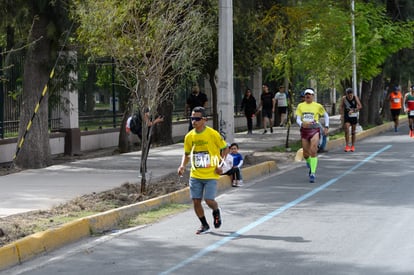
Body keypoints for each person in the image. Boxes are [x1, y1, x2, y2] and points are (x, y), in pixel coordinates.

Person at [177, 106, 227, 235]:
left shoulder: (212, 133)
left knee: (209, 200)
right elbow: (187, 153)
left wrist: (220, 164)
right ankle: (204, 224)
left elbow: (225, 148)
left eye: (197, 118)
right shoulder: (189, 136)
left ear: (204, 119)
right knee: (196, 201)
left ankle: (216, 211)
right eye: (192, 118)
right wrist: (182, 165)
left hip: (211, 173)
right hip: (196, 174)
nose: (194, 121)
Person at [295, 88, 329, 183]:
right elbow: (297, 119)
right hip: (305, 130)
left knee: (313, 150)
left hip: (315, 129)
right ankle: (310, 163)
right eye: (306, 94)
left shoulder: (318, 106)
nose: (308, 96)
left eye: (309, 94)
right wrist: (302, 124)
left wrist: (326, 127)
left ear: (313, 96)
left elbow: (326, 115)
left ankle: (313, 173)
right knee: (306, 154)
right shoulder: (300, 106)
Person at [339, 88, 362, 152]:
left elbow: (360, 106)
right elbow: (341, 106)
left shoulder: (355, 97)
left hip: (353, 116)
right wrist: (341, 115)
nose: (350, 97)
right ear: (346, 94)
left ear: (352, 94)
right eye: (348, 95)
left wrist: (353, 110)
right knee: (346, 128)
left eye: (351, 95)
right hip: (347, 116)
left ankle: (353, 145)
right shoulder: (344, 98)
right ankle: (347, 145)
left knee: (353, 132)